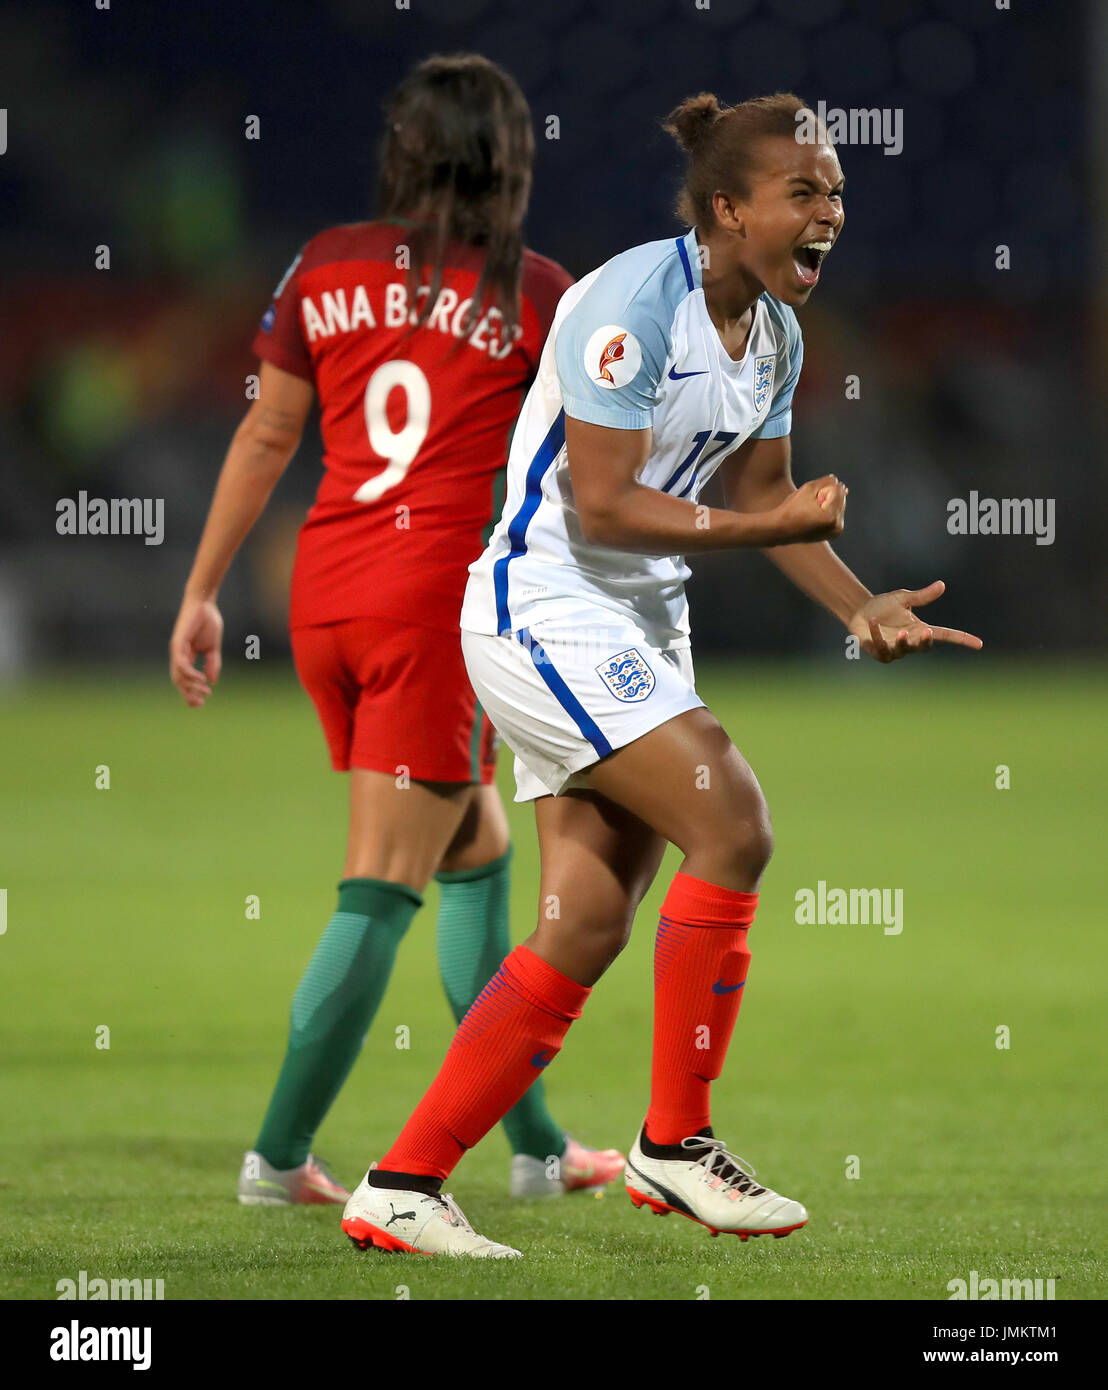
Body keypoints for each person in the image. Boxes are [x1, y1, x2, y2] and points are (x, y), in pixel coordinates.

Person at [338, 91, 983, 1259]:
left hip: (632, 622)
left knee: (584, 918)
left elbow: (756, 501)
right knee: (733, 821)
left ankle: (402, 1182)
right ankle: (675, 1143)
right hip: (547, 609)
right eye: (806, 192)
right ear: (729, 208)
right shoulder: (632, 305)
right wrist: (772, 527)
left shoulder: (775, 335)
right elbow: (605, 501)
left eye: (836, 190)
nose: (830, 209)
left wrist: (858, 607)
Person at [169, 53, 624, 1207]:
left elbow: (269, 434)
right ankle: (277, 1159)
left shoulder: (324, 262)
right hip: (430, 605)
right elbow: (587, 477)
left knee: (474, 847)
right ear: (509, 161)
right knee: (380, 878)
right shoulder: (538, 294)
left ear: (402, 152)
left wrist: (203, 591)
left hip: (321, 588)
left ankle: (533, 1145)